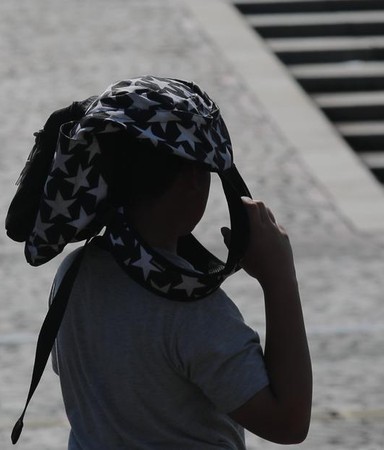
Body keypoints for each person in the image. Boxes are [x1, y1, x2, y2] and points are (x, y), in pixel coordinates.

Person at [42, 77, 311, 449]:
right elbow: (289, 423)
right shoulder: (195, 314)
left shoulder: (73, 272)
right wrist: (280, 278)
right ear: (191, 181)